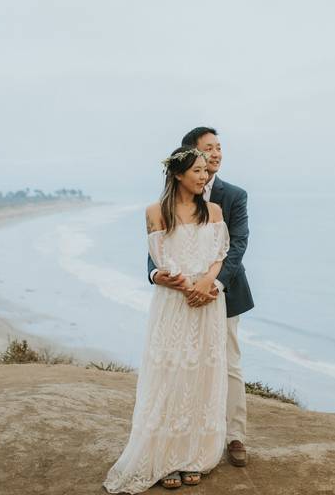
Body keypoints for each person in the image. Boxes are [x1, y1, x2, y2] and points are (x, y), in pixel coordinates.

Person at [104, 146, 231, 493]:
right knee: (169, 374)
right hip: (174, 302)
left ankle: (193, 455)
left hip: (208, 302)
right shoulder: (155, 212)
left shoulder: (215, 210)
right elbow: (159, 259)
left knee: (202, 374)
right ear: (178, 174)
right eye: (197, 171)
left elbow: (220, 256)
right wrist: (185, 285)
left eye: (206, 171)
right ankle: (163, 455)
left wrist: (206, 284)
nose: (204, 177)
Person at [148, 127, 254, 468]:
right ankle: (184, 437)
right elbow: (161, 244)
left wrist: (213, 284)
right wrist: (156, 274)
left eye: (220, 148)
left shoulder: (233, 195)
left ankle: (234, 435)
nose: (217, 154)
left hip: (223, 293)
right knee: (183, 366)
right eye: (209, 149)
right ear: (192, 155)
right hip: (180, 297)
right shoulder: (173, 193)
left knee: (229, 363)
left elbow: (236, 246)